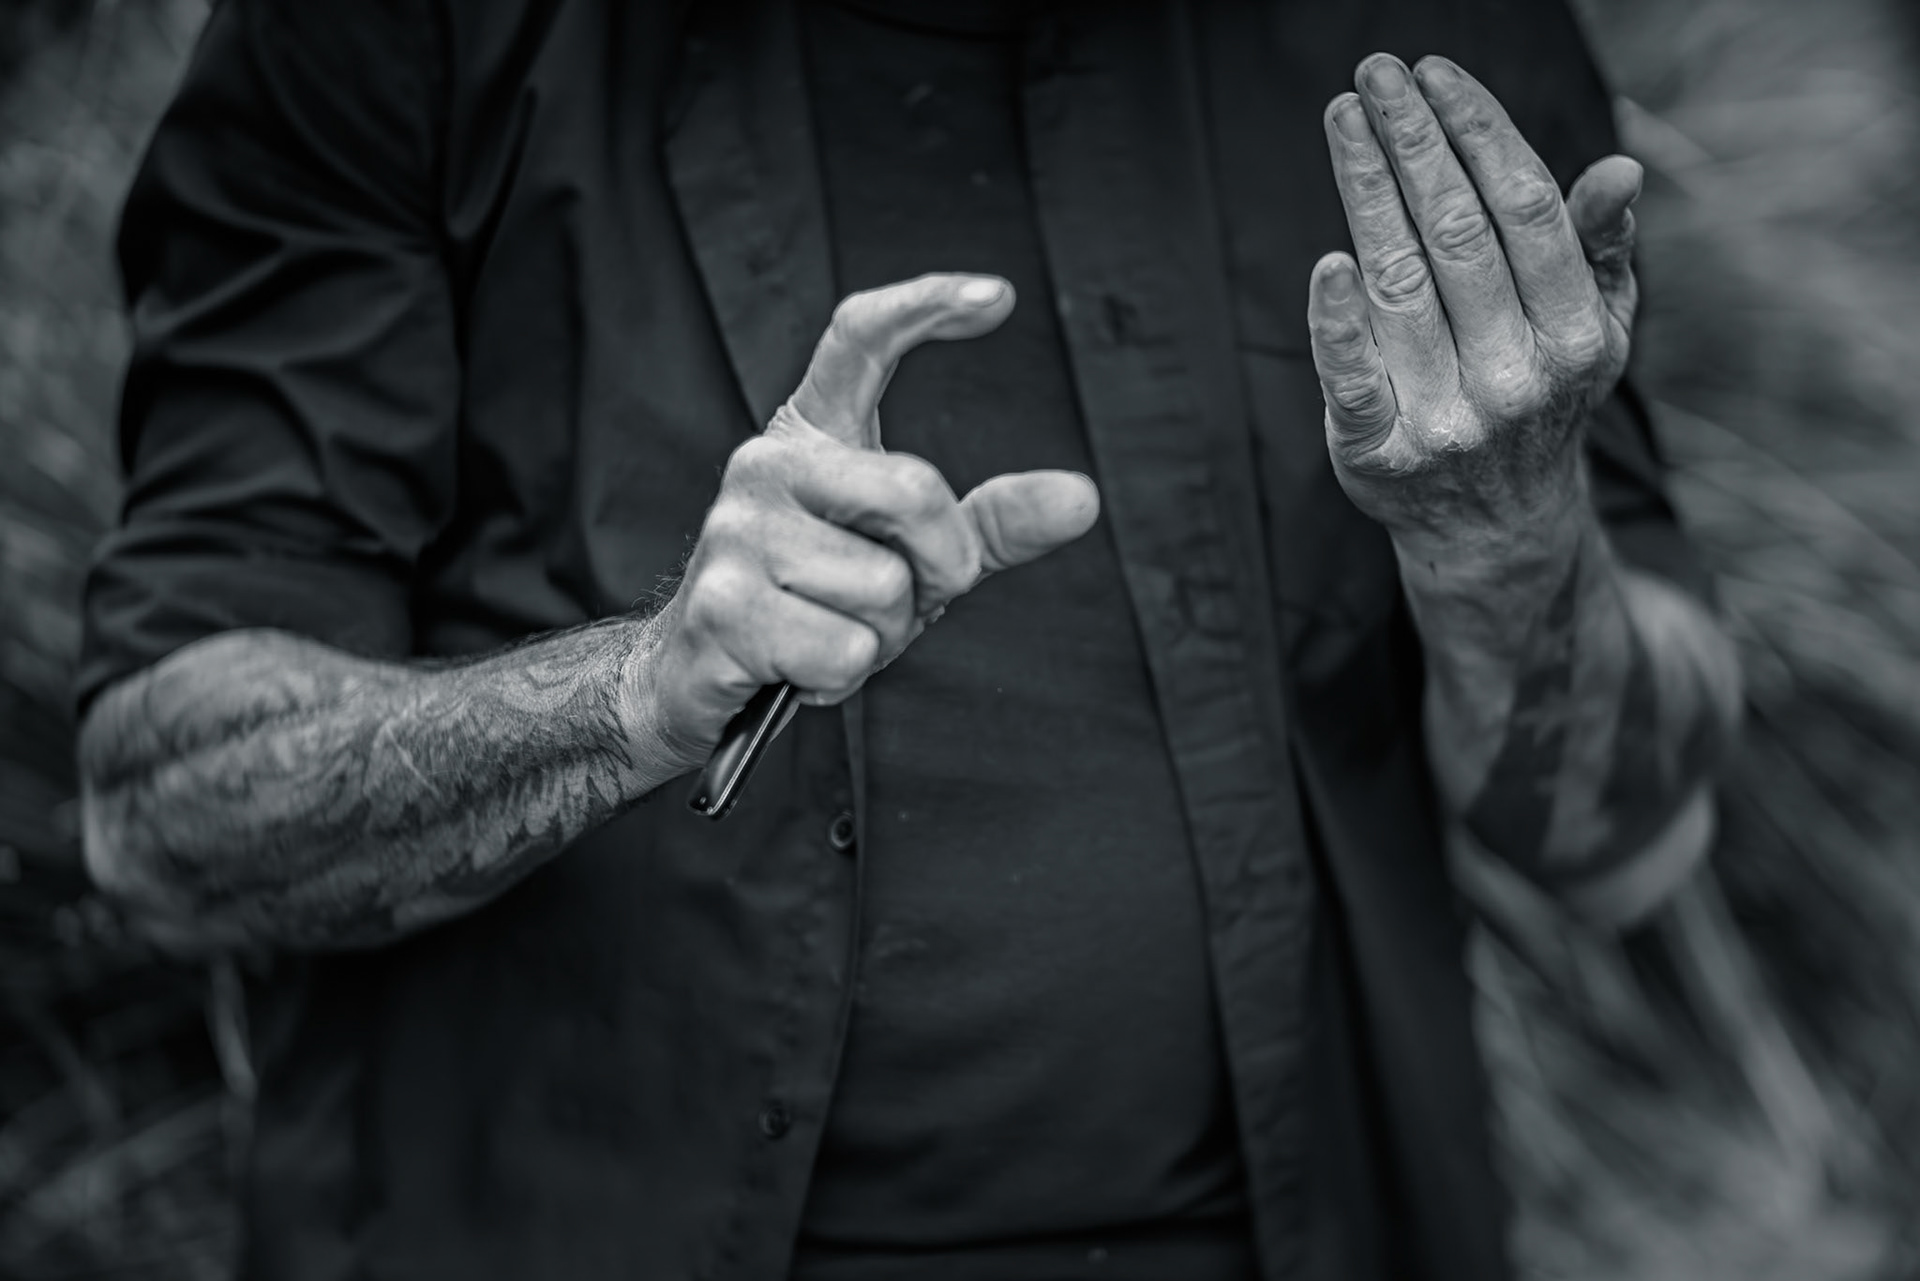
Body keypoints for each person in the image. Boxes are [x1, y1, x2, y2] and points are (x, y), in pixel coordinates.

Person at [74, 0, 1742, 1277]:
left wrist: (1506, 536)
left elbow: (1622, 841)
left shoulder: (1429, 37)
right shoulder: (407, 34)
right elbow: (166, 815)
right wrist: (636, 695)